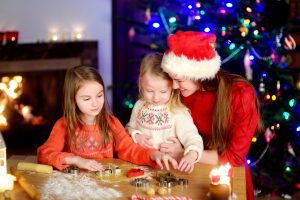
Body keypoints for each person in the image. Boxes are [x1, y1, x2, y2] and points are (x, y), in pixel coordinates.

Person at [159, 31, 264, 200]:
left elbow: (234, 158)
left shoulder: (241, 94)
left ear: (198, 73)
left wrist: (184, 152)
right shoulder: (181, 93)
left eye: (179, 79)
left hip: (224, 176)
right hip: (187, 171)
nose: (175, 86)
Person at [37, 65, 178, 172]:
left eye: (99, 95)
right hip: (75, 186)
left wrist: (154, 154)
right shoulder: (63, 125)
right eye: (86, 98)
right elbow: (44, 154)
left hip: (105, 183)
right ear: (73, 100)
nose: (95, 103)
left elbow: (130, 149)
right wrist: (76, 160)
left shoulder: (112, 123)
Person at [126, 53, 204, 173]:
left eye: (163, 91)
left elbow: (192, 138)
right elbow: (129, 128)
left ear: (172, 87)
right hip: (141, 167)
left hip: (169, 170)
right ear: (141, 83)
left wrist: (190, 156)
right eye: (150, 91)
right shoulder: (139, 106)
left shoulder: (178, 112)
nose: (156, 97)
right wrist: (136, 135)